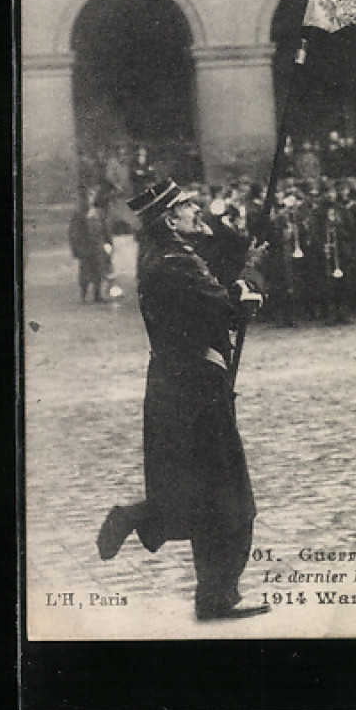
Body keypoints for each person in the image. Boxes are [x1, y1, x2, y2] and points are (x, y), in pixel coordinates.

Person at [96, 178, 271, 622]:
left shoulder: (165, 254)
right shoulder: (174, 262)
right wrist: (253, 273)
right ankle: (212, 590)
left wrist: (232, 242)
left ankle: (212, 593)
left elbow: (213, 272)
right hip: (196, 385)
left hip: (178, 382)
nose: (198, 210)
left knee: (205, 492)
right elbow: (230, 306)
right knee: (232, 499)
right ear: (170, 218)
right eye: (189, 206)